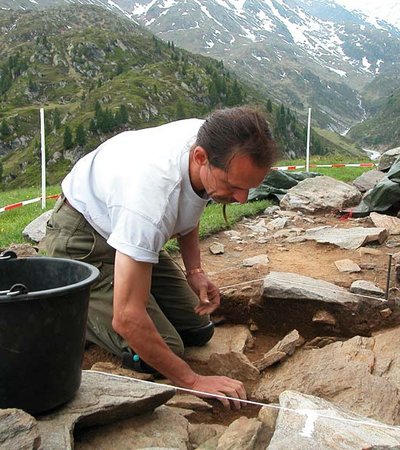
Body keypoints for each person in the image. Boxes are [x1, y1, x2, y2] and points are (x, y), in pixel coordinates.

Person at [46, 105, 277, 408]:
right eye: (234, 186)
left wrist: (194, 271)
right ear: (200, 158)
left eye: (248, 188)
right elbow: (128, 318)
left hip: (126, 231)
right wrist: (193, 381)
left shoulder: (218, 139)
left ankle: (121, 286)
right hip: (83, 241)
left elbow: (192, 202)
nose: (242, 198)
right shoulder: (150, 199)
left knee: (198, 329)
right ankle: (73, 303)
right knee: (164, 349)